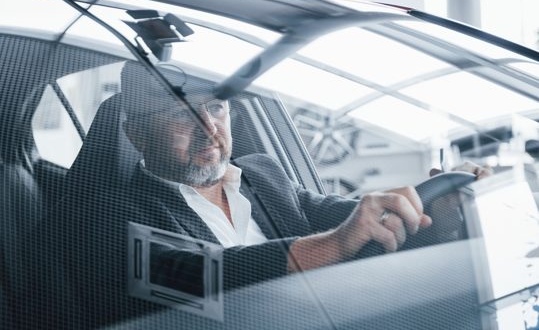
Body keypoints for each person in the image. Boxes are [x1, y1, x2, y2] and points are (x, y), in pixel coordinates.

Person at [120, 62, 492, 289]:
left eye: (216, 108)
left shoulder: (262, 174)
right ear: (138, 136)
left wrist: (438, 214)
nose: (209, 129)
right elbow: (194, 274)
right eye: (181, 115)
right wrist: (333, 246)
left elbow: (354, 220)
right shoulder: (115, 212)